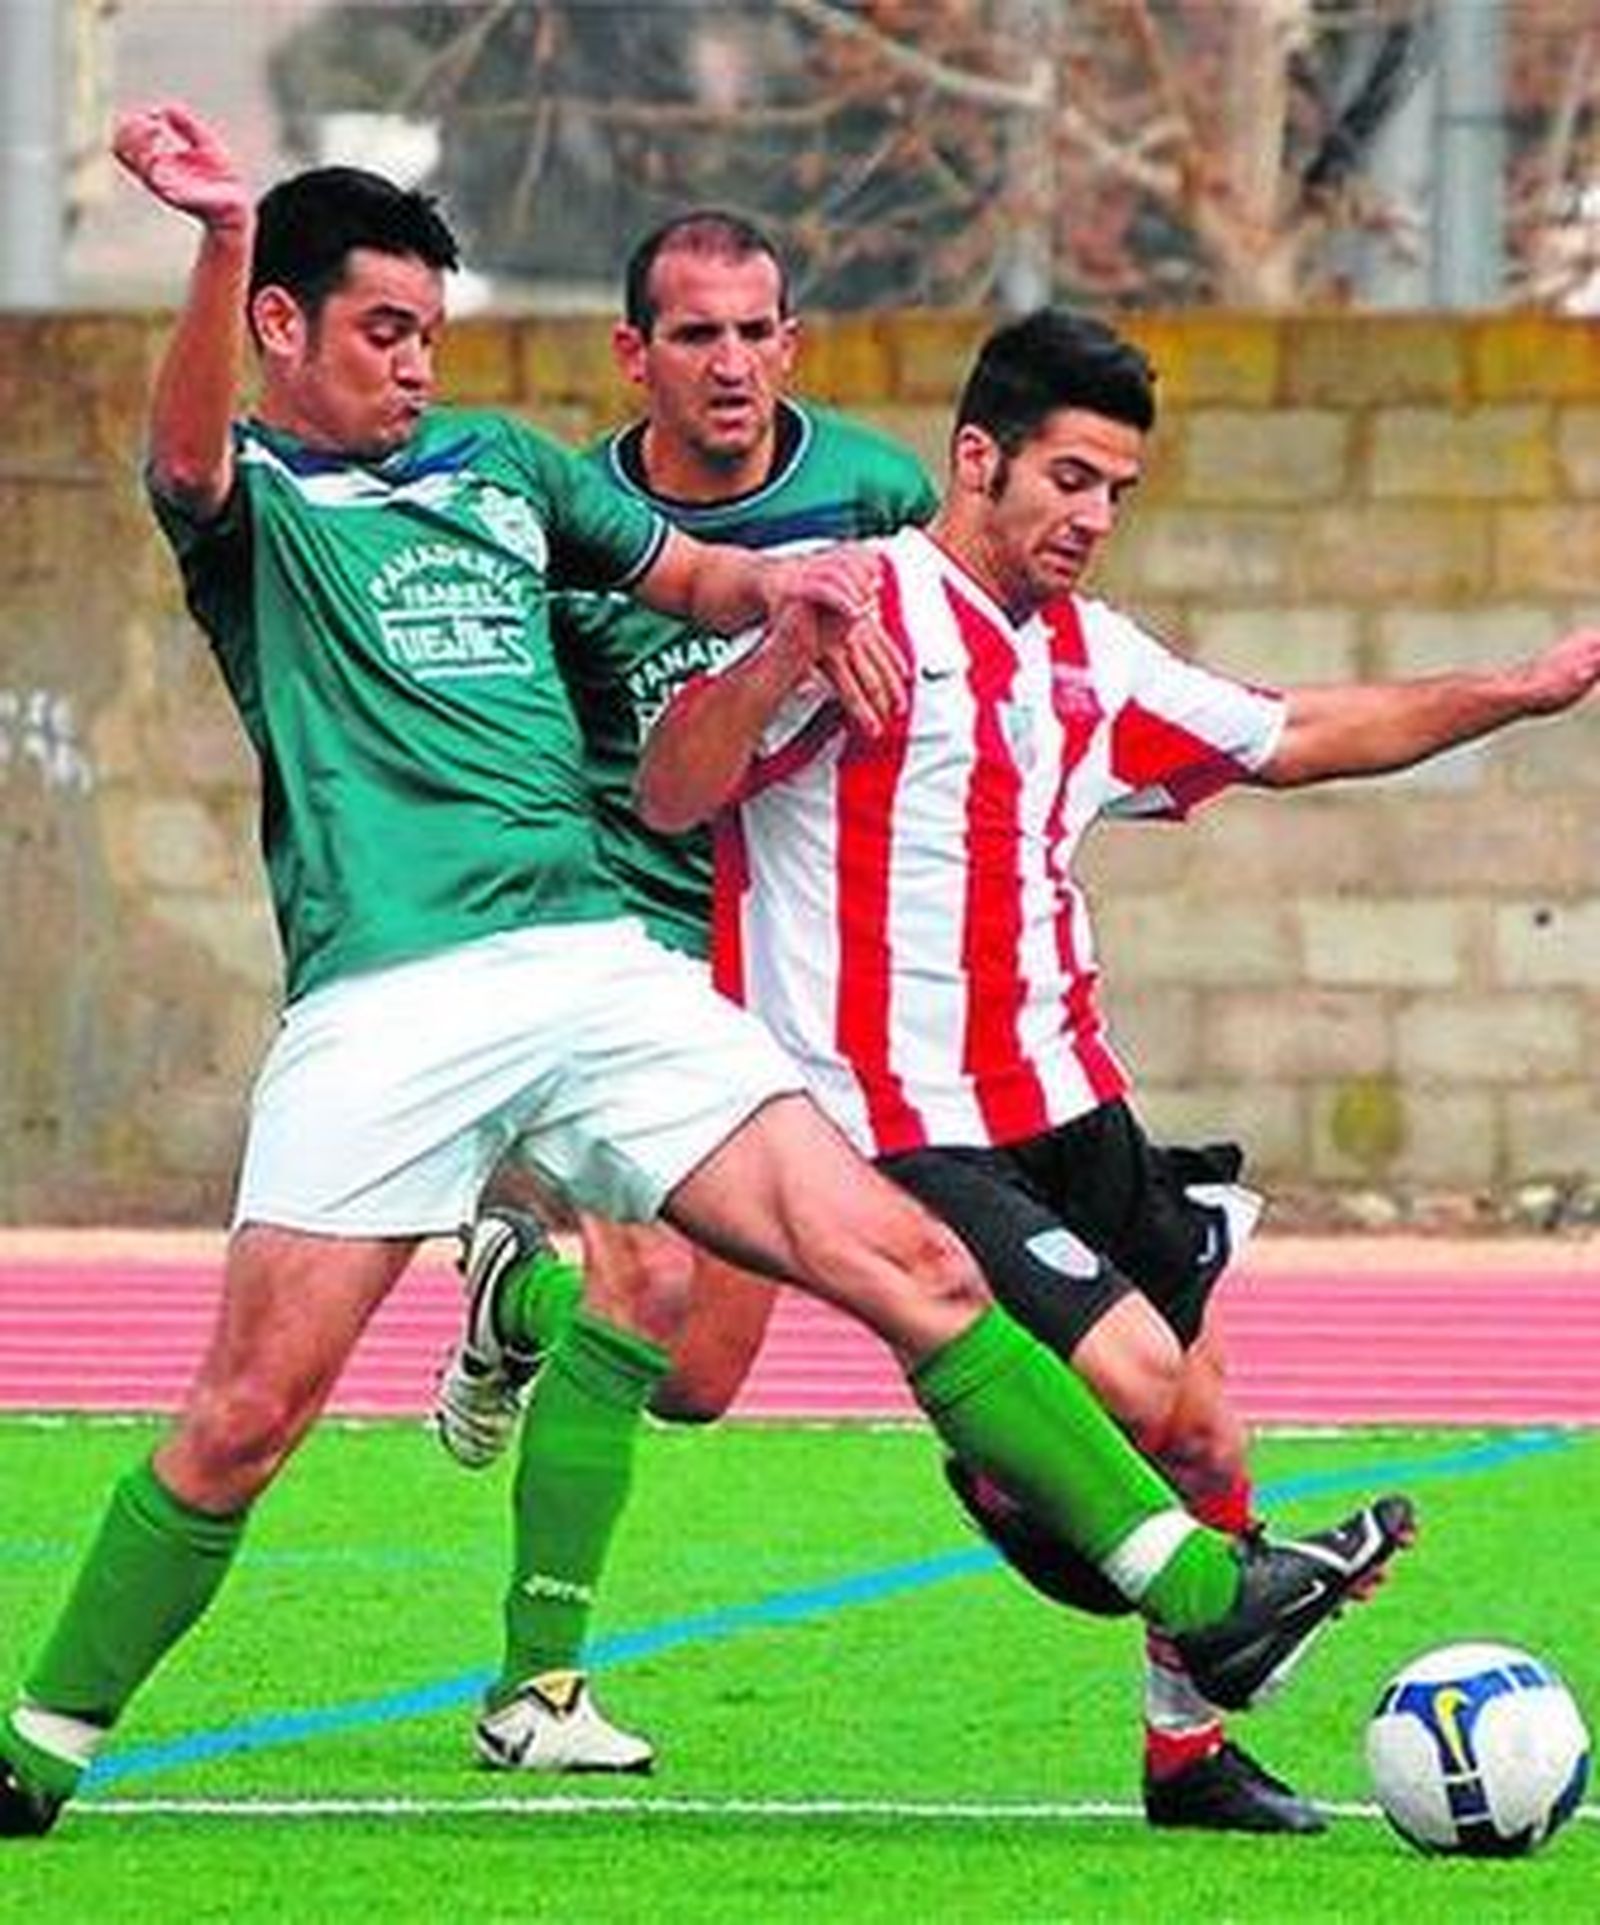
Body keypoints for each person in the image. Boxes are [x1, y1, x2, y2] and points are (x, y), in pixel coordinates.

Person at [0, 107, 1416, 1843]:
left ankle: (1202, 1591)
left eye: (432, 335)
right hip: (390, 1003)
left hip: (602, 965)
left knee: (905, 1260)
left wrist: (803, 591)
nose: (417, 367)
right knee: (241, 1422)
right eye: (383, 332)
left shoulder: (506, 471)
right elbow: (187, 454)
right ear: (281, 329)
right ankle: (41, 1744)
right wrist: (221, 236)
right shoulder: (259, 506)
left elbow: (700, 567)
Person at [634, 307, 1600, 1806]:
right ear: (978, 460)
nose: (1091, 517)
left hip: (1074, 1102)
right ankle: (1026, 1474)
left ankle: (1188, 1751)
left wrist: (1521, 690)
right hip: (900, 1122)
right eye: (1069, 479)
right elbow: (672, 789)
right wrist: (773, 666)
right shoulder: (860, 608)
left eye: (1116, 493)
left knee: (1209, 1428)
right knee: (1137, 1390)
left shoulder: (1091, 656)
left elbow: (1301, 730)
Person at [430, 216, 1320, 1833]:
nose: (733, 363)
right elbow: (557, 738)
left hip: (794, 948)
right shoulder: (572, 518)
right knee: (664, 1286)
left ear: (794, 343)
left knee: (697, 1376)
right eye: (696, 335)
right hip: (631, 918)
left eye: (759, 330)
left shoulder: (871, 496)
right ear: (634, 355)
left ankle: (526, 1301)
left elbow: (962, 660)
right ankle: (534, 1686)